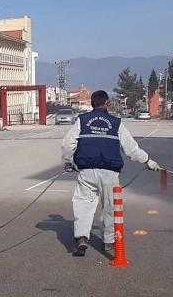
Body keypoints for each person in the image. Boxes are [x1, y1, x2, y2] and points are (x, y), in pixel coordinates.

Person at [61, 90, 161, 257]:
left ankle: (81, 239)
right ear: (107, 103)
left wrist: (69, 162)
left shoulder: (82, 120)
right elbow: (131, 149)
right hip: (110, 173)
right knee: (110, 208)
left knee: (83, 205)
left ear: (92, 104)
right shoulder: (116, 123)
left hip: (86, 172)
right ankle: (109, 243)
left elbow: (67, 144)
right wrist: (147, 160)